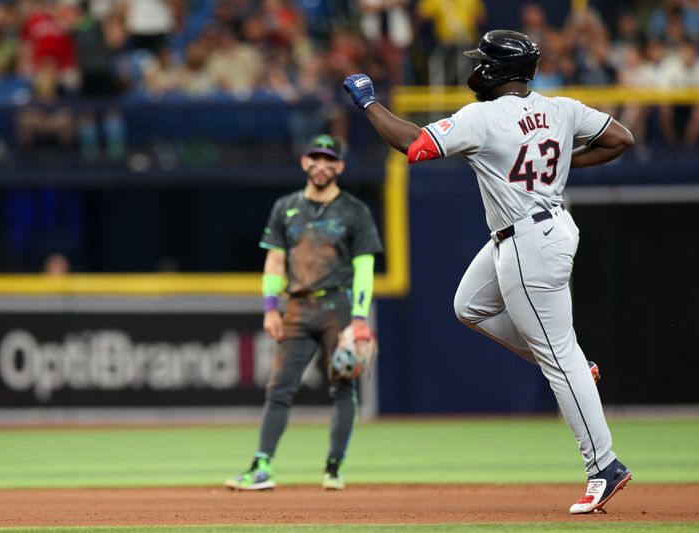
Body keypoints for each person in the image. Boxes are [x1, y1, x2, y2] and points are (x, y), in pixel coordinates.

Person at [343, 30, 634, 514]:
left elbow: (413, 145)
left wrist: (370, 103)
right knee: (469, 306)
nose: (474, 68)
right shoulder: (562, 108)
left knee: (558, 353)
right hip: (547, 226)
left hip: (526, 242)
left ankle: (603, 465)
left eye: (482, 62)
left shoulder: (481, 116)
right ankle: (573, 367)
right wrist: (560, 165)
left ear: (497, 71)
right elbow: (620, 138)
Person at [225, 134, 383, 491]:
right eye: (316, 157)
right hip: (297, 305)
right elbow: (275, 260)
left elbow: (363, 268)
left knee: (344, 388)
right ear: (304, 162)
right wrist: (270, 308)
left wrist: (359, 319)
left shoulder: (354, 211)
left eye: (329, 159)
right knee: (279, 388)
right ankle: (262, 466)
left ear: (340, 166)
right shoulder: (286, 207)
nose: (322, 164)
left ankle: (333, 467)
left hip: (338, 307)